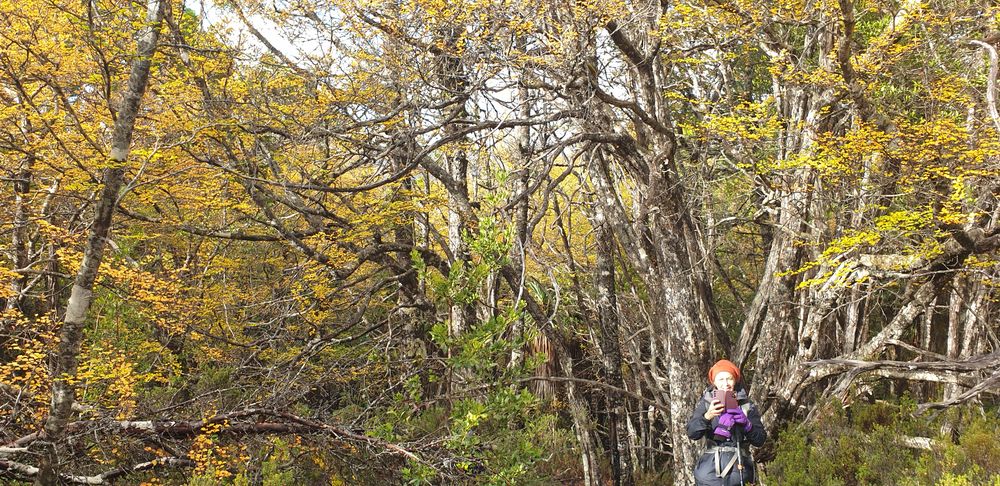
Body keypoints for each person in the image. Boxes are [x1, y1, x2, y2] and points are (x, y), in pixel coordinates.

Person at [686, 359, 766, 485]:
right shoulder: (707, 404)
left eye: (729, 378)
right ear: (714, 383)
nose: (726, 383)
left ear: (735, 380)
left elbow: (760, 440)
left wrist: (747, 425)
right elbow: (692, 433)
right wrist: (708, 416)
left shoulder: (746, 405)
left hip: (740, 470)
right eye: (721, 379)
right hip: (709, 474)